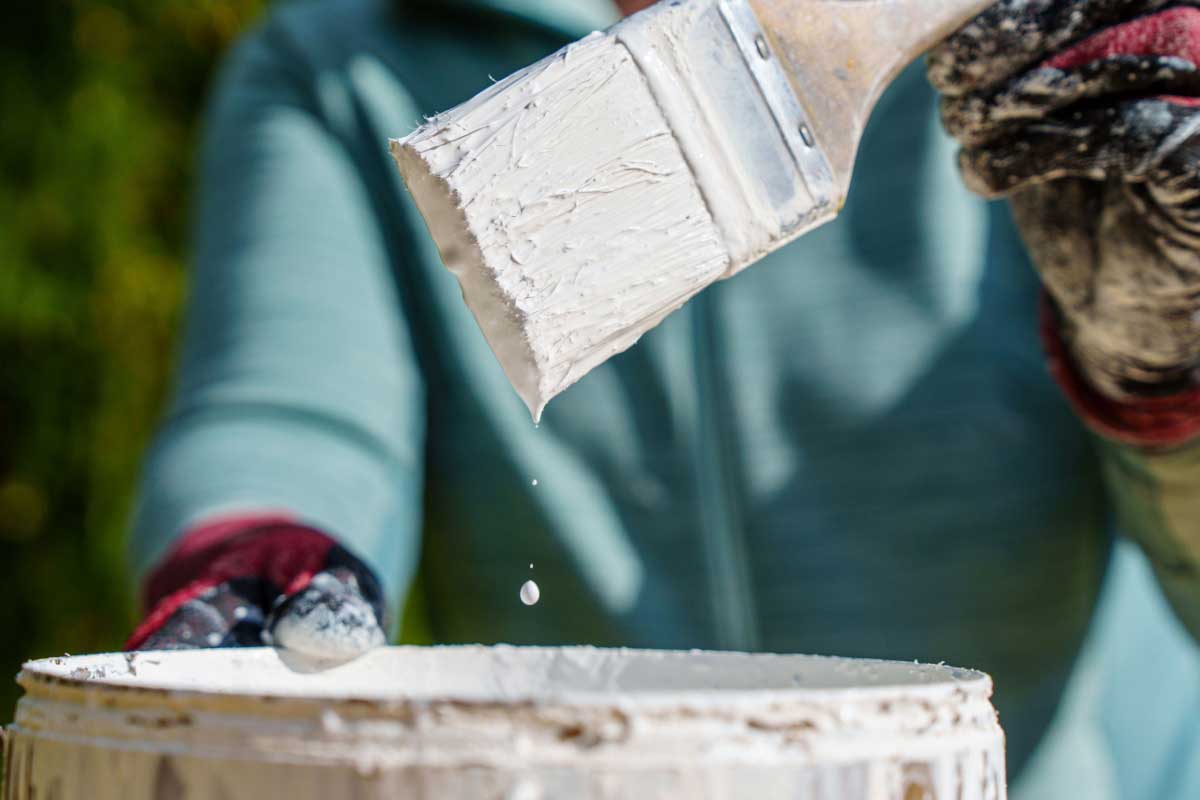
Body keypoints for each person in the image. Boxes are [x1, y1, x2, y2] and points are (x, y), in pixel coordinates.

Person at [124, 0, 1200, 796]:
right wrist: (261, 547)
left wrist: (1169, 370)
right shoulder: (344, 66)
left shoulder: (1048, 73)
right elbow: (290, 417)